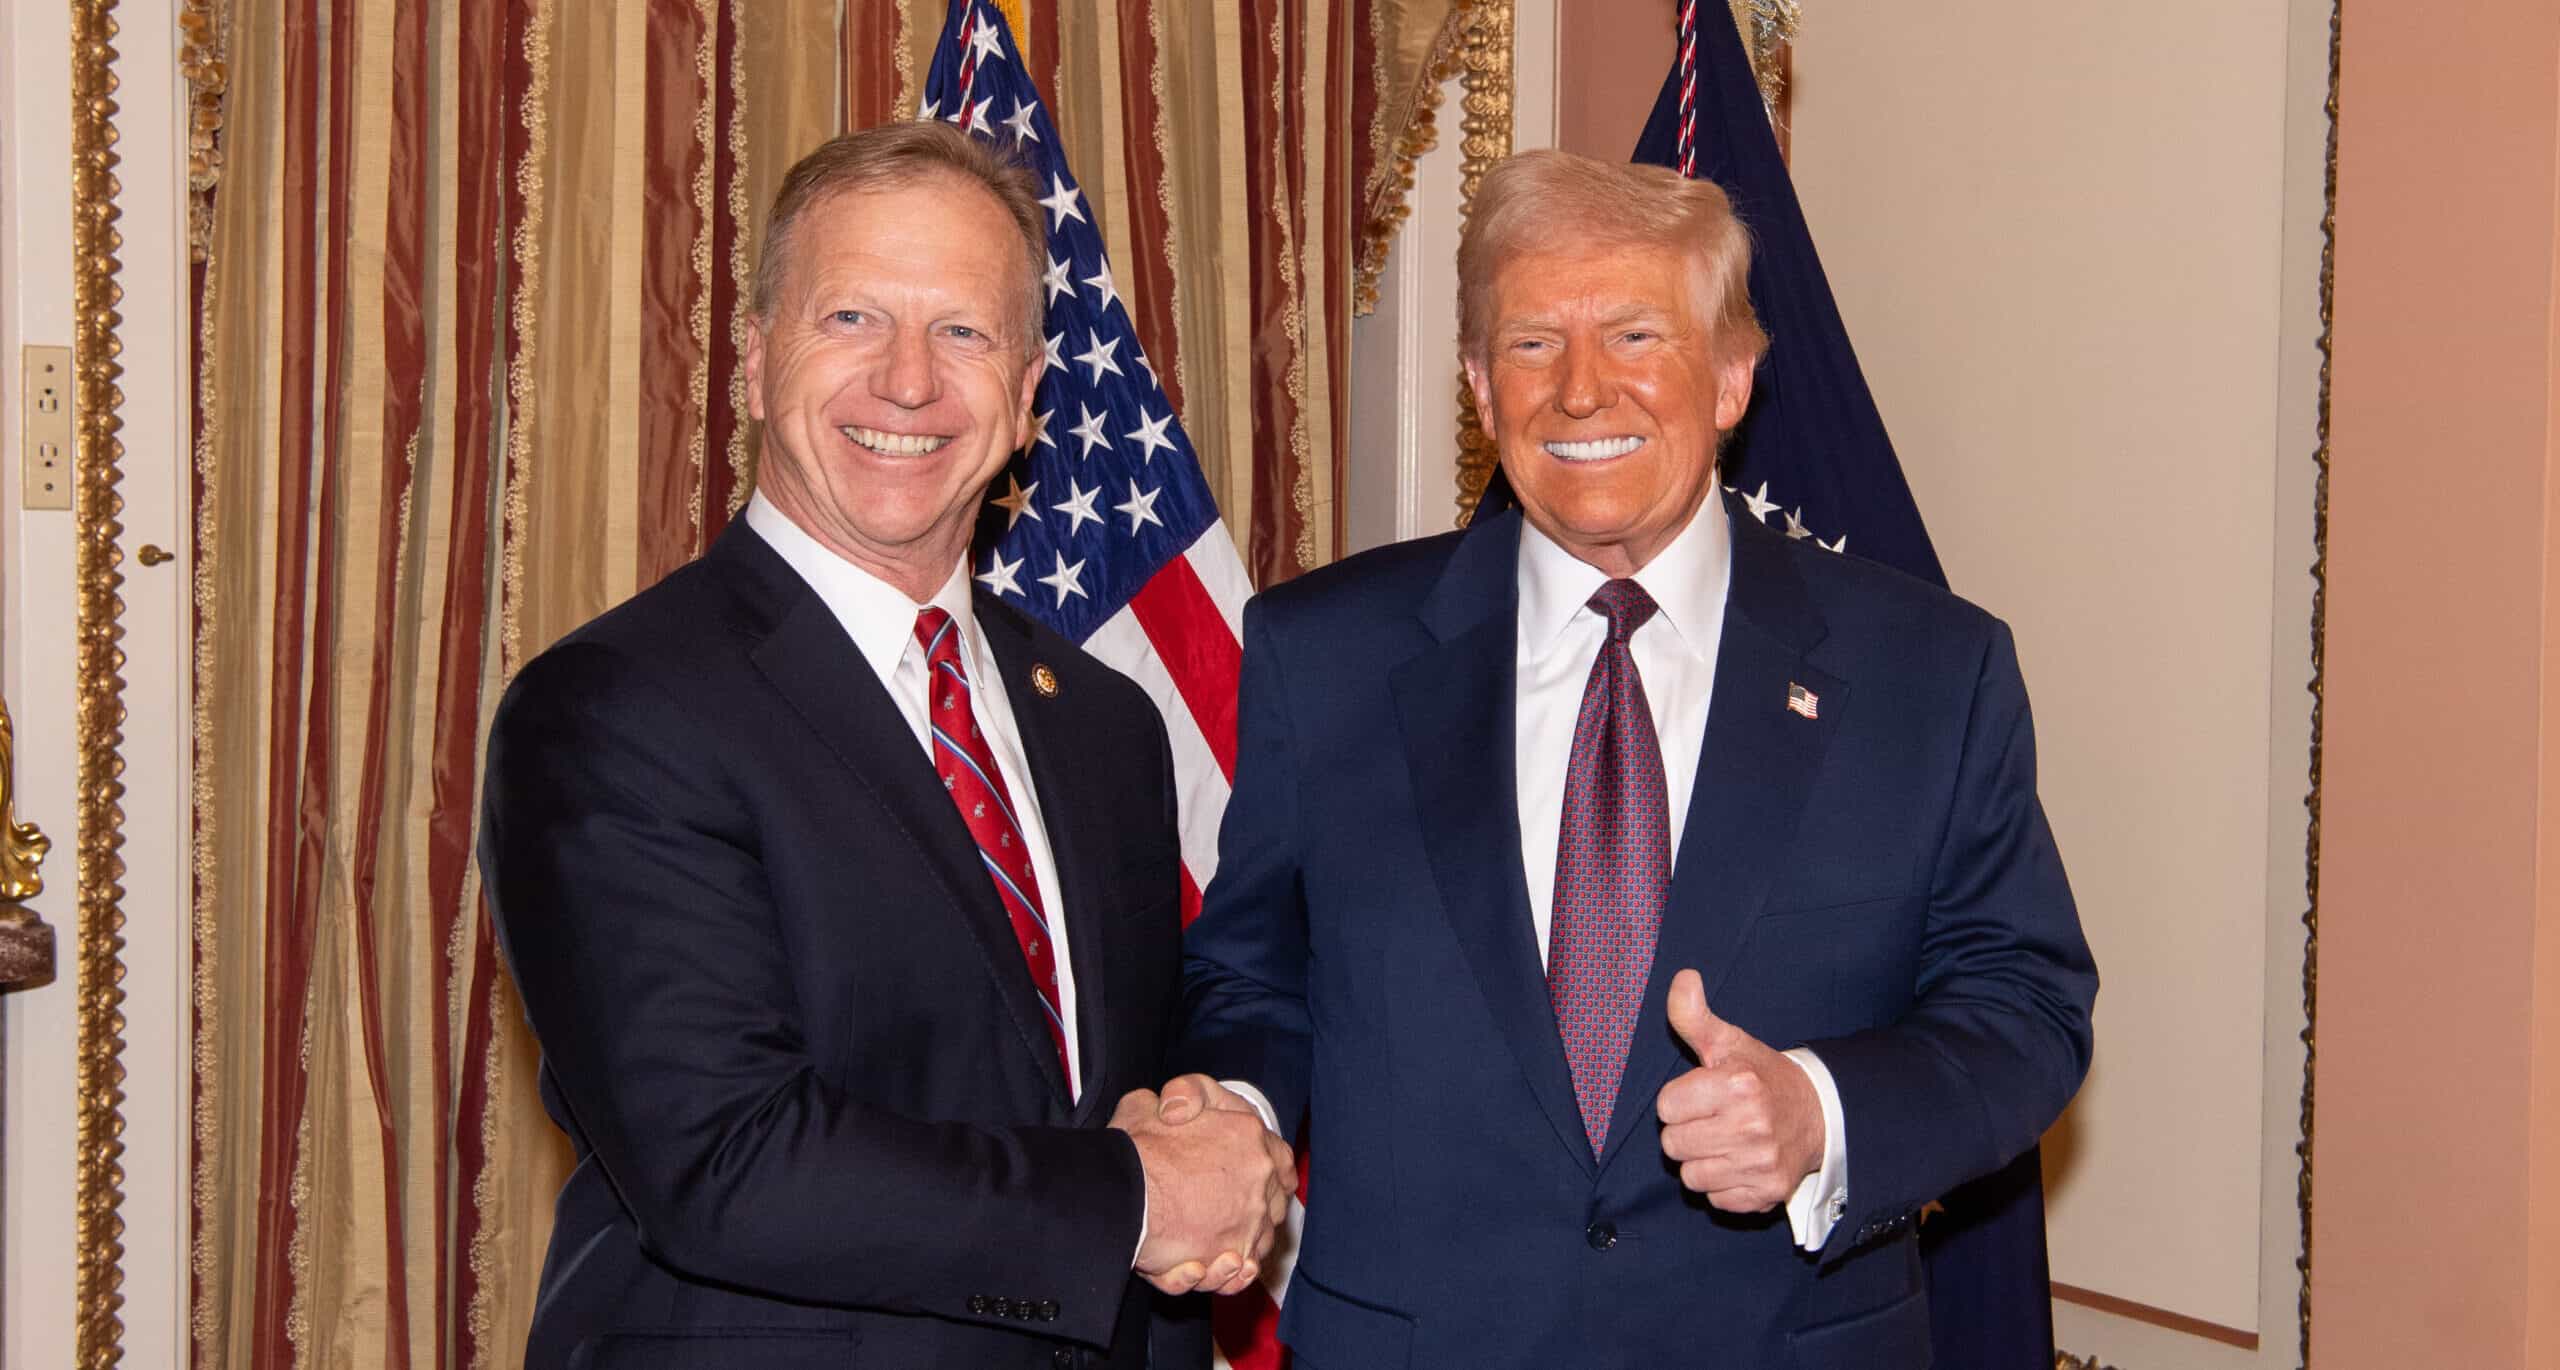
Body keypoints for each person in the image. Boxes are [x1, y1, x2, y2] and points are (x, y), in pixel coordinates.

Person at [1175, 149, 2097, 1368]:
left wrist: (1820, 1111)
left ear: (1731, 377)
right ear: (1477, 386)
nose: (1580, 390)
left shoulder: (1927, 670)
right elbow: (1250, 978)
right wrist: (1230, 1115)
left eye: (1634, 336)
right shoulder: (1324, 652)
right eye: (1531, 344)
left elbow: (2025, 1004)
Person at [479, 121, 1290, 1370]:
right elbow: (725, 1161)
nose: (907, 382)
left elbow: (1101, 1078)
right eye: (852, 317)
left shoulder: (1101, 720)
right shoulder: (612, 710)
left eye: (963, 330)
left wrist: (1217, 1126)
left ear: (1028, 394)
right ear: (757, 363)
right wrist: (1139, 1198)